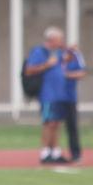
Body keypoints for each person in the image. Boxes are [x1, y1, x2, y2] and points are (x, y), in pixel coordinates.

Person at [24, 27, 68, 164]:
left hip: (59, 94)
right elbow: (29, 70)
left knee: (56, 123)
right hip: (47, 94)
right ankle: (45, 152)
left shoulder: (59, 53)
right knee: (48, 123)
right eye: (59, 39)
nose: (61, 42)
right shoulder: (39, 52)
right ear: (52, 39)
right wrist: (46, 65)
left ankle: (55, 152)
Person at [59, 44, 87, 162]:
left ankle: (76, 154)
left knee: (72, 127)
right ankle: (53, 154)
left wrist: (67, 75)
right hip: (54, 97)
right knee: (53, 125)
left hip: (70, 98)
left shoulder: (76, 56)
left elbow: (82, 73)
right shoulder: (56, 56)